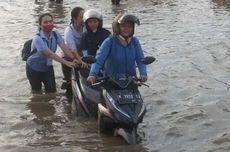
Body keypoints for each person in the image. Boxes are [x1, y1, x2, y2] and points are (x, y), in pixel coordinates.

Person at [87, 13, 147, 84]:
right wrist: (92, 74)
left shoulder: (135, 42)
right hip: (111, 82)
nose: (126, 29)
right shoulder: (109, 41)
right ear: (117, 27)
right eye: (123, 26)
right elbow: (98, 60)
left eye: (129, 26)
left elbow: (141, 60)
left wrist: (143, 74)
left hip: (131, 82)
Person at [26, 13, 79, 93]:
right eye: (45, 22)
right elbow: (49, 53)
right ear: (40, 25)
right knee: (37, 92)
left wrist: (73, 59)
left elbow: (64, 48)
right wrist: (66, 62)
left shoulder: (56, 35)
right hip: (33, 68)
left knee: (52, 92)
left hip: (48, 66)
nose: (49, 24)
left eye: (50, 21)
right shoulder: (37, 38)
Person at [61, 7, 87, 95]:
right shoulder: (69, 31)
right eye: (81, 17)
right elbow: (73, 49)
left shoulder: (86, 28)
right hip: (69, 57)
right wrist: (81, 60)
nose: (83, 20)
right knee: (70, 85)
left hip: (83, 55)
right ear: (74, 18)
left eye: (84, 17)